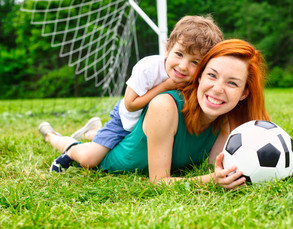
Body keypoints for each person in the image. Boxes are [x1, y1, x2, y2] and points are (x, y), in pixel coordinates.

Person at [39, 39, 274, 189]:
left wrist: (275, 170)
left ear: (244, 93)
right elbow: (159, 182)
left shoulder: (229, 118)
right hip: (117, 160)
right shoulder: (165, 105)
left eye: (232, 83)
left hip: (142, 136)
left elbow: (220, 165)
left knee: (101, 136)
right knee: (87, 157)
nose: (218, 89)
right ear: (200, 76)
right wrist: (212, 181)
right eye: (212, 75)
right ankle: (55, 137)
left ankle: (94, 131)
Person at [39, 15, 223, 172]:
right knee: (91, 159)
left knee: (108, 142)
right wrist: (165, 86)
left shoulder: (199, 79)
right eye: (179, 54)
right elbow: (130, 104)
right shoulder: (148, 68)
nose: (183, 66)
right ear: (167, 48)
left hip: (147, 127)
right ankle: (71, 150)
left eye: (195, 62)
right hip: (126, 119)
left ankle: (93, 131)